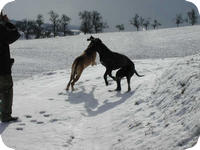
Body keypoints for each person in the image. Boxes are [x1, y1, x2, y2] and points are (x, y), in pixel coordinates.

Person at [0, 12, 20, 122]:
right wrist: (7, 23)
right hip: (2, 69)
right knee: (6, 91)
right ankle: (5, 116)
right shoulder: (1, 28)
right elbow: (14, 35)